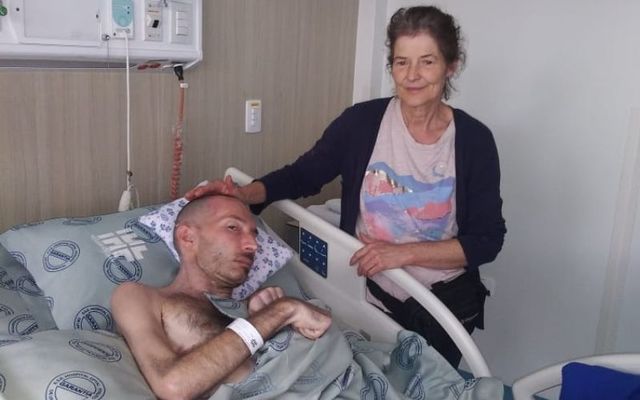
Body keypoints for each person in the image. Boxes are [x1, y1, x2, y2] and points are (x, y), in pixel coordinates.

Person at [186, 5, 506, 368]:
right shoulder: (362, 123)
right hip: (370, 296)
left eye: (427, 61)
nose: (412, 75)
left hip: (443, 305)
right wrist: (244, 195)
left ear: (451, 65)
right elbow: (303, 175)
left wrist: (402, 254)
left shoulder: (473, 141)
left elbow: (486, 240)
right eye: (402, 62)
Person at [111, 194, 332, 400]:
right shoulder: (141, 297)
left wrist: (271, 320)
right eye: (233, 227)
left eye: (254, 234)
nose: (252, 245)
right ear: (187, 237)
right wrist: (281, 312)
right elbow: (173, 385)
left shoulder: (258, 307)